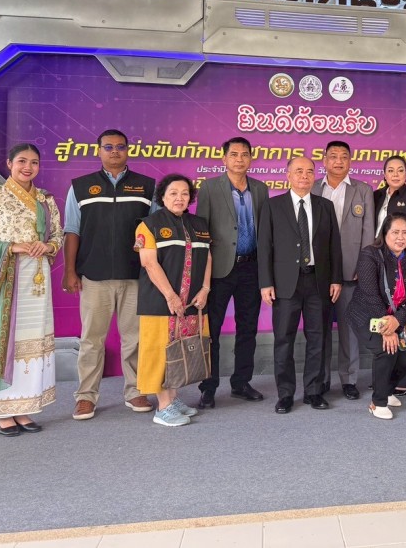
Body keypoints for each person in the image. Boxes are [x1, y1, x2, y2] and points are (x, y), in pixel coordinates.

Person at [0, 144, 63, 436]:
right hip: (6, 276)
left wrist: (48, 246)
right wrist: (12, 247)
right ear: (9, 164)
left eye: (34, 162)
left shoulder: (45, 199)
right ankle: (1, 410)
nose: (28, 167)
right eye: (22, 161)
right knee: (4, 340)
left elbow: (58, 235)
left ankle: (23, 407)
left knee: (30, 341)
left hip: (37, 280)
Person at [63, 128, 156, 421]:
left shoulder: (147, 187)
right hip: (94, 276)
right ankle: (85, 397)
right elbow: (72, 231)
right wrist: (69, 271)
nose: (114, 151)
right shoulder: (80, 187)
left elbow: (155, 232)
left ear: (128, 150)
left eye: (120, 146)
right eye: (108, 147)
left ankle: (136, 390)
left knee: (135, 338)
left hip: (135, 276)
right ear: (99, 150)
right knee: (91, 340)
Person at [258, 157, 343, 414]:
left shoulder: (325, 206)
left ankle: (313, 391)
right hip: (285, 284)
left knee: (318, 338)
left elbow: (334, 246)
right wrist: (266, 283)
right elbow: (265, 247)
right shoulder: (273, 206)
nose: (304, 176)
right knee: (284, 339)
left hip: (318, 281)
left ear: (314, 175)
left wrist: (336, 278)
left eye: (309, 171)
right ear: (288, 175)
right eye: (298, 171)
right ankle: (285, 394)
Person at [195, 136, 269, 409]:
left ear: (251, 158)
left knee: (247, 328)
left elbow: (265, 231)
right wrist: (203, 274)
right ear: (224, 158)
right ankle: (208, 387)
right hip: (220, 268)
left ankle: (241, 383)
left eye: (244, 154)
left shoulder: (260, 189)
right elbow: (202, 231)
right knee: (212, 330)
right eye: (234, 154)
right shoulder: (209, 187)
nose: (239, 159)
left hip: (251, 267)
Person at [134, 174, 212, 427]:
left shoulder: (199, 224)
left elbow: (208, 257)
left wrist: (205, 289)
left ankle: (174, 398)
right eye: (173, 193)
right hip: (161, 302)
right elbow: (148, 262)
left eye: (184, 193)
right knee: (160, 352)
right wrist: (170, 295)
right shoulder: (149, 225)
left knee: (180, 350)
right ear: (162, 196)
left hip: (192, 302)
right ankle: (163, 407)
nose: (179, 198)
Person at [312, 140, 375, 400]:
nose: (339, 161)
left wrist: (365, 263)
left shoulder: (363, 190)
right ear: (324, 160)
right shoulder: (312, 188)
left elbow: (368, 231)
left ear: (350, 161)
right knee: (320, 327)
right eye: (333, 156)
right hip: (317, 270)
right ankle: (321, 379)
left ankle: (349, 379)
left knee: (350, 328)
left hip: (351, 270)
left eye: (344, 156)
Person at [348, 213, 406, 419]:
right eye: (395, 232)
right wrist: (387, 329)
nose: (400, 237)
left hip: (397, 317)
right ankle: (378, 402)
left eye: (405, 233)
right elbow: (370, 294)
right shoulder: (370, 254)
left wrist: (397, 320)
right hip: (366, 315)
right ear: (384, 233)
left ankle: (388, 390)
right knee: (386, 350)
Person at [372, 155, 406, 395]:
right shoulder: (376, 196)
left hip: (404, 265)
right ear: (384, 174)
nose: (395, 174)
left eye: (400, 170)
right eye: (391, 170)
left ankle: (405, 379)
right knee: (383, 320)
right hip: (378, 264)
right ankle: (384, 376)